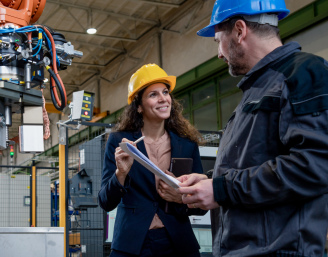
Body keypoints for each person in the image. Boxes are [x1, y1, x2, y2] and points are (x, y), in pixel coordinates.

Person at [178, 0, 328, 256]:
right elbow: (255, 159)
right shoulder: (259, 88)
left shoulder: (304, 74)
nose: (219, 53)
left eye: (218, 41)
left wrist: (222, 189)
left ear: (239, 30)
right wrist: (211, 181)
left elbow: (315, 165)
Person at [99, 64, 207, 257]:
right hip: (131, 244)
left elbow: (201, 207)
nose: (163, 98)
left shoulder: (187, 145)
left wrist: (181, 198)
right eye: (153, 94)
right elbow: (106, 202)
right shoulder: (120, 143)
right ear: (139, 106)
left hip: (177, 243)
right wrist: (121, 173)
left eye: (165, 92)